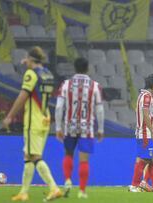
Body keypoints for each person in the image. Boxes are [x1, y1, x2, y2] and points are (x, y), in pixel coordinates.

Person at [2, 46, 62, 201]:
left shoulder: (31, 74)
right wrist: (28, 62)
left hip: (33, 120)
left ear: (31, 59)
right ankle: (23, 192)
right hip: (45, 118)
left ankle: (54, 188)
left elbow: (23, 96)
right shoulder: (47, 74)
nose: (25, 61)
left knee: (35, 156)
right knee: (28, 155)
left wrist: (9, 116)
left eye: (27, 58)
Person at [55, 57, 104, 198]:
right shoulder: (95, 86)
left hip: (69, 125)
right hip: (86, 127)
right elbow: (99, 109)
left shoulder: (66, 85)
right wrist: (100, 129)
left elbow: (59, 107)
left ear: (74, 68)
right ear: (87, 68)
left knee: (68, 153)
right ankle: (82, 191)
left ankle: (67, 180)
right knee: (83, 159)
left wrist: (58, 127)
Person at [129, 74, 153, 192]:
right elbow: (145, 115)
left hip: (146, 132)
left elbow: (149, 113)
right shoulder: (146, 96)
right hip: (145, 133)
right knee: (144, 160)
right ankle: (134, 185)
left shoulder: (144, 95)